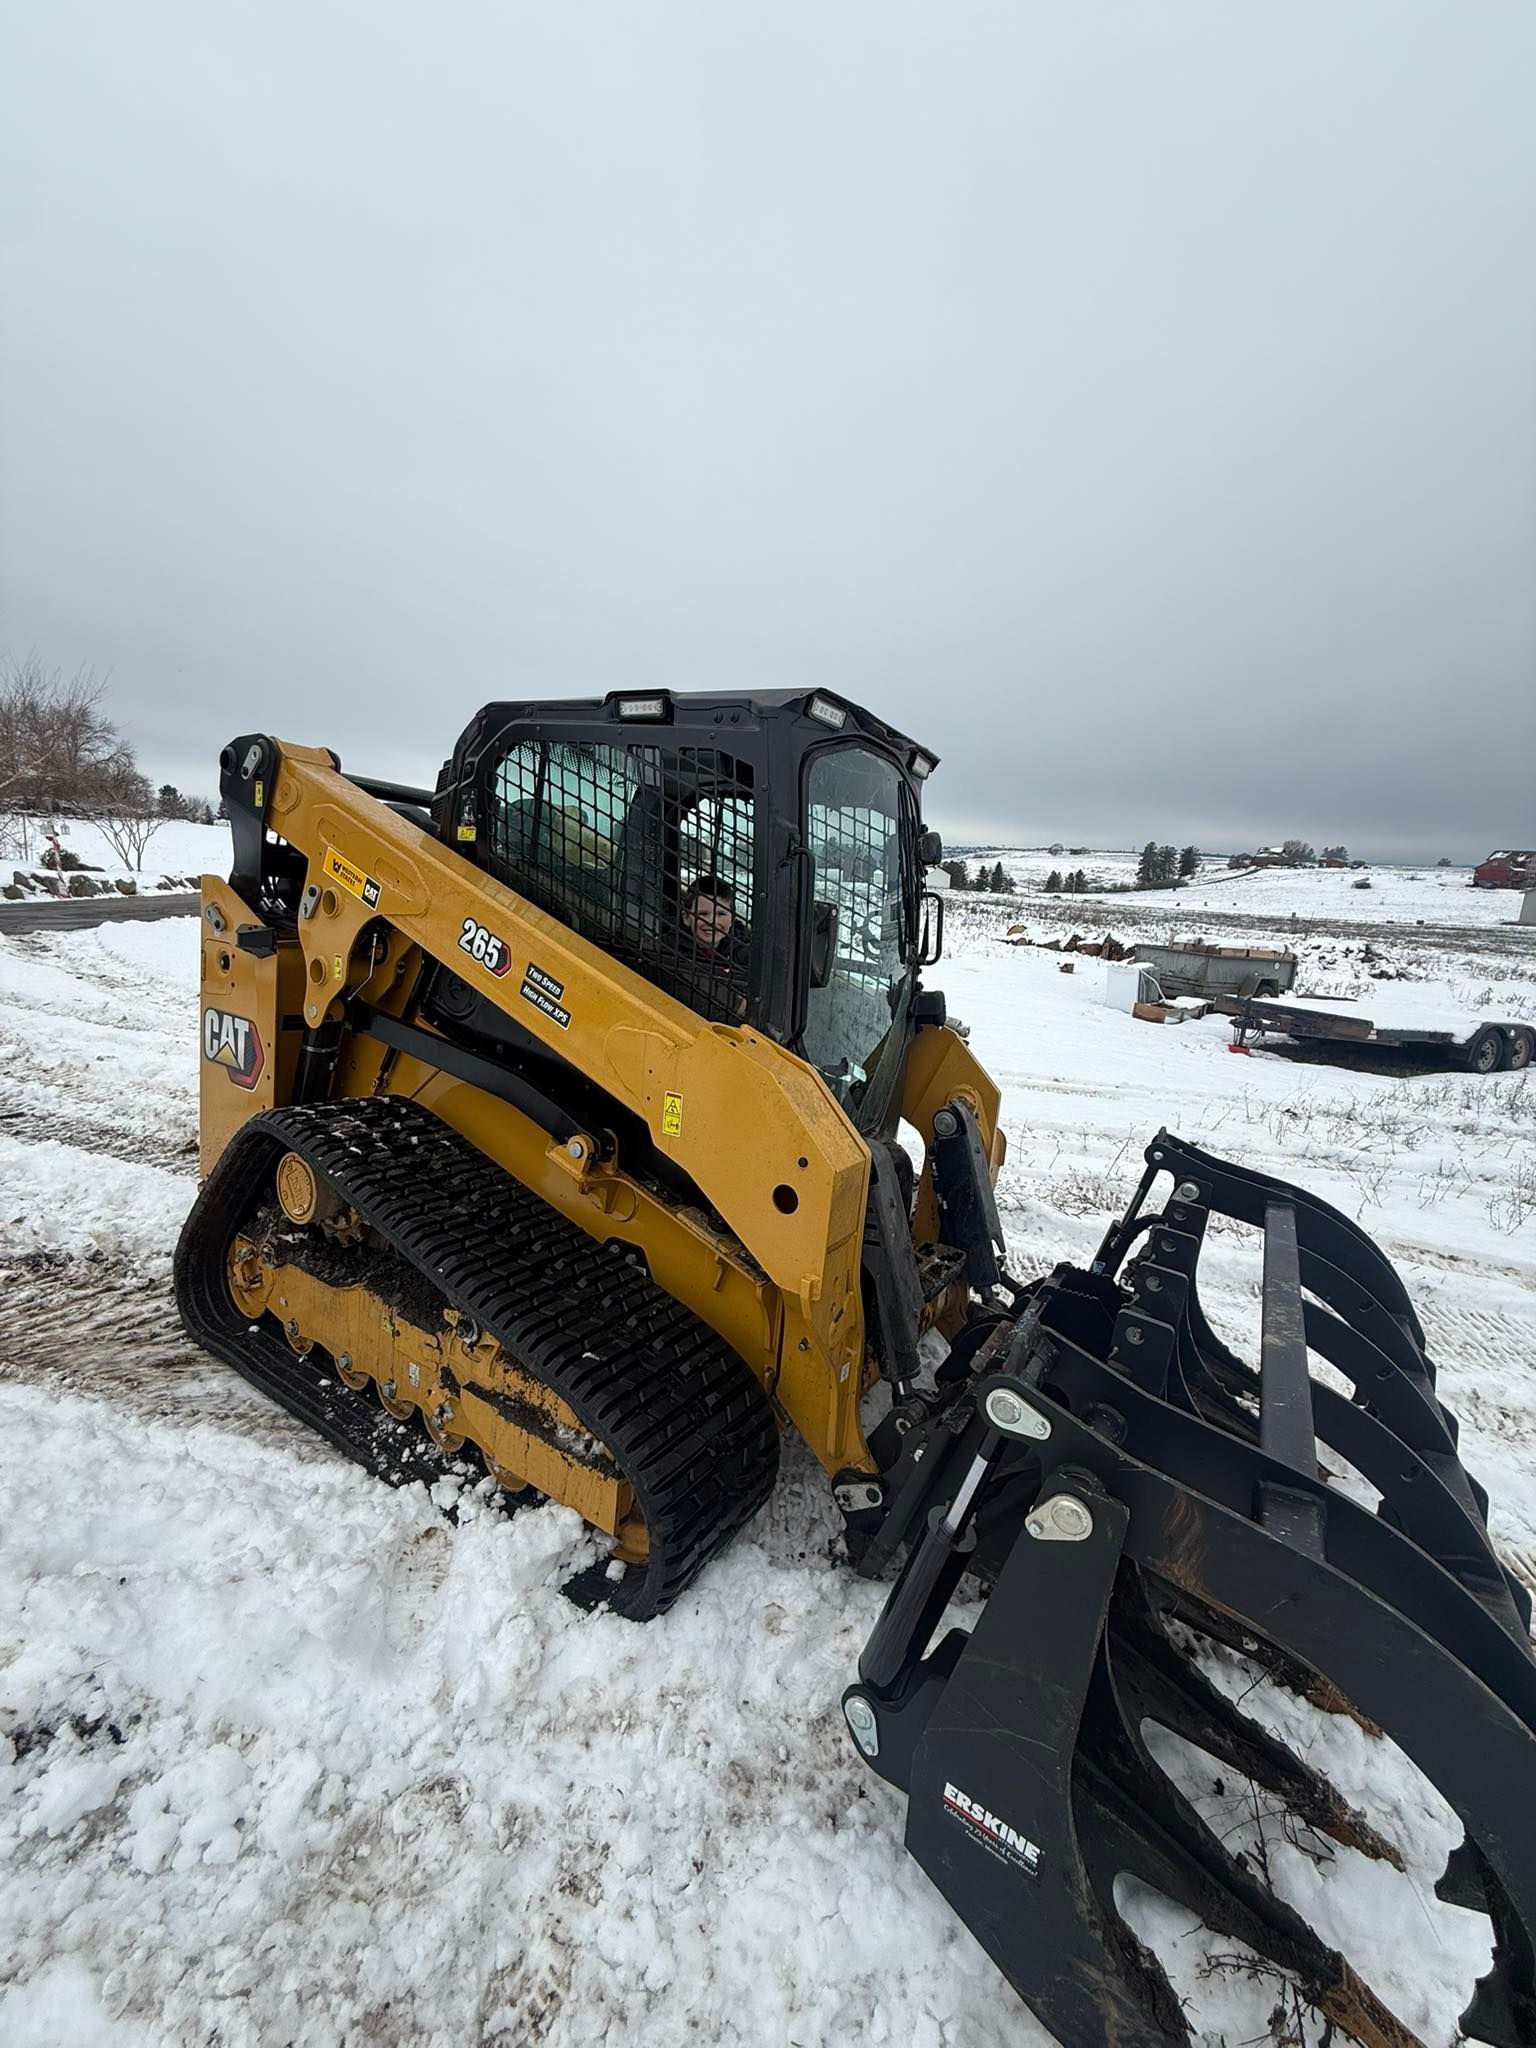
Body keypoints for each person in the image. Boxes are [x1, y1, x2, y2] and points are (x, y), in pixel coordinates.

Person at [677, 874, 749, 1018]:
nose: (712, 922)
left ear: (732, 919)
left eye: (721, 913)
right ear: (686, 917)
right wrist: (735, 1003)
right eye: (703, 914)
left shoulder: (743, 951)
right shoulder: (672, 950)